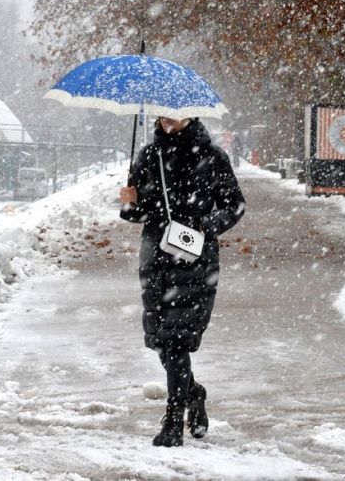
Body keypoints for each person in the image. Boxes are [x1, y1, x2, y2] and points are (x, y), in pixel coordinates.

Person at [119, 116, 246, 447]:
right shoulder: (148, 156)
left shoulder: (212, 156)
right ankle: (194, 394)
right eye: (162, 112)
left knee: (177, 339)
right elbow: (140, 213)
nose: (167, 118)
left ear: (191, 115)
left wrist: (206, 224)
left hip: (194, 257)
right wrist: (130, 203)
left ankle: (174, 421)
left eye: (175, 112)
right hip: (155, 258)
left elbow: (235, 204)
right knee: (161, 340)